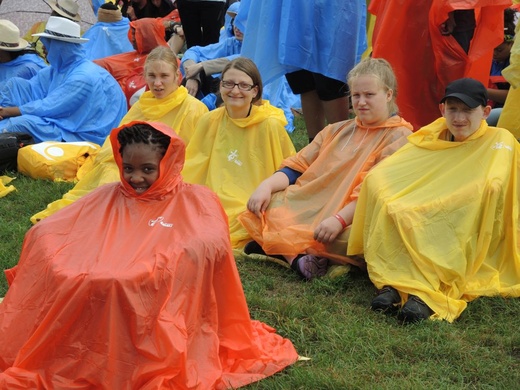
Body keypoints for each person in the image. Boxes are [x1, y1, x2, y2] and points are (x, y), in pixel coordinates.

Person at [0, 121, 298, 388]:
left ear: (167, 163)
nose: (136, 177)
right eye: (128, 168)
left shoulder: (196, 200)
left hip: (153, 285)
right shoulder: (110, 195)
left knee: (116, 281)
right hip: (101, 271)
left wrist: (158, 262)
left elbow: (207, 242)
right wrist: (45, 244)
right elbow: (61, 226)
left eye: (147, 169)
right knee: (90, 278)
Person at [347, 78, 520, 324]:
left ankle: (424, 295)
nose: (459, 118)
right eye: (453, 109)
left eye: (468, 110)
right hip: (429, 204)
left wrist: (445, 201)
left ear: (486, 112)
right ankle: (396, 286)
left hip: (469, 215)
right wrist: (382, 187)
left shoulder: (500, 140)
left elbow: (493, 183)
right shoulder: (433, 135)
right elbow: (395, 168)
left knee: (429, 217)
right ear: (442, 110)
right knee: (396, 208)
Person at [239, 58, 413, 280]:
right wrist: (266, 186)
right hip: (313, 204)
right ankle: (299, 259)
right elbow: (297, 167)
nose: (361, 102)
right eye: (356, 96)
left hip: (352, 216)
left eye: (369, 95)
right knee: (265, 205)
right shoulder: (337, 130)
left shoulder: (400, 137)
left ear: (388, 95)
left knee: (362, 236)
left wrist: (339, 220)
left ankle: (282, 249)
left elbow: (375, 191)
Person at [31, 45, 208, 222]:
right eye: (152, 76)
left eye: (164, 76)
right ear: (144, 76)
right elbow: (119, 139)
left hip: (165, 173)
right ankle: (92, 218)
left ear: (177, 77)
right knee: (110, 175)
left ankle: (103, 218)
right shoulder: (141, 105)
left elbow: (196, 156)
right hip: (132, 167)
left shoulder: (194, 109)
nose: (157, 83)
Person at [182, 57, 296, 249]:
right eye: (228, 83)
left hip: (253, 199)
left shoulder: (270, 126)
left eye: (243, 85)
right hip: (212, 195)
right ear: (220, 86)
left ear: (255, 91)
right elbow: (193, 165)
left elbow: (289, 168)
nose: (235, 91)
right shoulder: (209, 120)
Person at [236, 0, 367, 142]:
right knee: (302, 76)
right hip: (293, 7)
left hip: (331, 7)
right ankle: (314, 145)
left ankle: (340, 146)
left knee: (332, 76)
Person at [369, 0, 511, 130]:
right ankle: (432, 130)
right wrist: (447, 8)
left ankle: (439, 130)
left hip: (441, 9)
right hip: (435, 10)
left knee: (433, 75)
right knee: (424, 73)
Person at [0, 16, 127, 145]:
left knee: (21, 124)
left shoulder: (83, 77)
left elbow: (49, 107)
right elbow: (32, 87)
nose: (43, 48)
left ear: (60, 46)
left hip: (82, 134)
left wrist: (7, 111)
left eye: (48, 44)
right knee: (15, 85)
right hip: (66, 121)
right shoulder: (60, 68)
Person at [94, 17, 169, 107]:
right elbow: (102, 64)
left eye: (136, 35)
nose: (132, 39)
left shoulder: (167, 61)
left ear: (147, 35)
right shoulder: (133, 55)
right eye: (132, 34)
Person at [486, 8, 516, 126]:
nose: (494, 54)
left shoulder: (514, 64)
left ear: (512, 44)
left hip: (507, 111)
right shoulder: (487, 60)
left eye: (499, 50)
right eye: (491, 49)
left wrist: (483, 91)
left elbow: (512, 97)